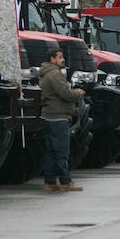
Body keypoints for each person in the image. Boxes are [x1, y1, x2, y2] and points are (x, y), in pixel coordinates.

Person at [39, 48, 86, 191]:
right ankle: (66, 181)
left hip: (49, 116)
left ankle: (50, 181)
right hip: (58, 116)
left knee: (52, 151)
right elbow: (65, 93)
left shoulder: (45, 73)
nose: (63, 59)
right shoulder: (55, 74)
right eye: (60, 57)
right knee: (62, 151)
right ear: (52, 59)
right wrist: (77, 93)